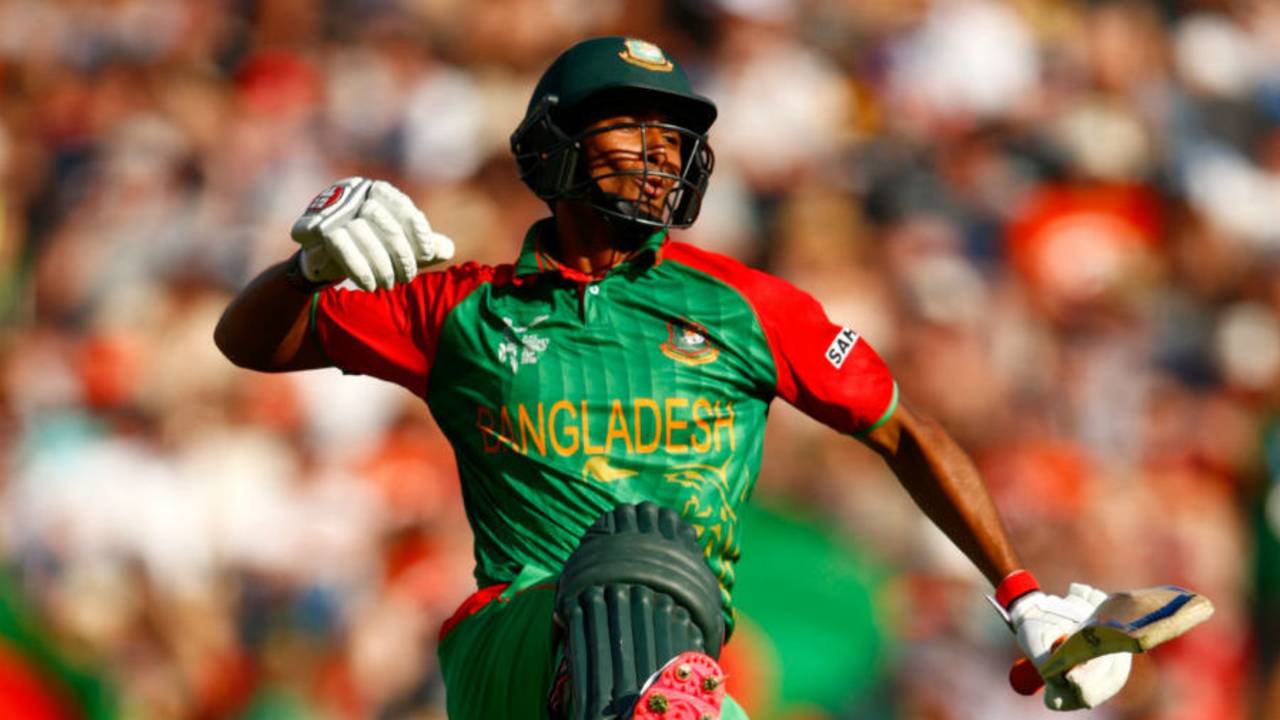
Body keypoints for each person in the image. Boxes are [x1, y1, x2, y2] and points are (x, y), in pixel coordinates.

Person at [215, 35, 1132, 720]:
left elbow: (903, 429)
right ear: (554, 145)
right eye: (632, 127)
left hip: (682, 673)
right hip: (518, 646)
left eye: (673, 135)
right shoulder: (461, 307)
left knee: (665, 609)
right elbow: (248, 343)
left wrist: (1023, 596)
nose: (661, 152)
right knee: (636, 545)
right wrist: (306, 268)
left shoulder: (746, 305)